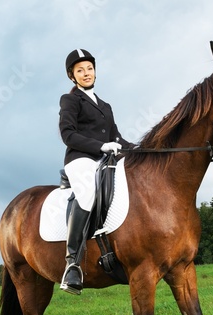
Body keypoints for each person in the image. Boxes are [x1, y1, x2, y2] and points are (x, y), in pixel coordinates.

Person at [58, 49, 134, 295]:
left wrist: (142, 150)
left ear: (95, 71)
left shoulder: (105, 105)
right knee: (88, 194)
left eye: (89, 68)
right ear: (73, 76)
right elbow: (67, 134)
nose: (86, 73)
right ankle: (72, 264)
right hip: (81, 159)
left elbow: (117, 138)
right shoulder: (70, 100)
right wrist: (101, 146)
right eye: (80, 70)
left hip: (105, 158)